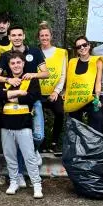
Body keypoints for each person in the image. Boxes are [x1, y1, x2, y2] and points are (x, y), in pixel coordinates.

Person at [0, 51, 43, 198]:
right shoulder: (4, 81)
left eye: (18, 62)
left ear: (23, 63)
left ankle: (37, 184)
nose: (16, 65)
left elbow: (33, 97)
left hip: (24, 124)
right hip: (6, 124)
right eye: (12, 63)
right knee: (10, 156)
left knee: (29, 156)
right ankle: (14, 181)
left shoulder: (31, 80)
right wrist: (20, 93)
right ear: (9, 65)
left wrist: (12, 97)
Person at [0, 25, 49, 151]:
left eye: (19, 35)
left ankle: (33, 152)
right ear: (9, 37)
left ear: (24, 36)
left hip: (32, 98)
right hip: (12, 100)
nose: (17, 38)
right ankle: (24, 161)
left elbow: (46, 73)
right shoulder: (5, 55)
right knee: (15, 138)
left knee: (38, 136)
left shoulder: (35, 52)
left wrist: (33, 74)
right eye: (13, 35)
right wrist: (8, 79)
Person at [37, 22, 67, 153]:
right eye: (42, 36)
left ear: (51, 36)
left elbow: (63, 74)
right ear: (38, 38)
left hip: (54, 92)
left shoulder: (61, 53)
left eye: (46, 35)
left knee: (60, 113)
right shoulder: (34, 52)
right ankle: (41, 143)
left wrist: (56, 91)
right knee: (38, 116)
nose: (44, 38)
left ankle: (54, 142)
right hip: (38, 93)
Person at [64, 36, 103, 131]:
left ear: (89, 45)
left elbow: (98, 81)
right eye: (79, 47)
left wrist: (97, 98)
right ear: (77, 50)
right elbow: (69, 81)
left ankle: (94, 144)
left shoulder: (97, 61)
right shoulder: (72, 62)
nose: (82, 48)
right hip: (75, 98)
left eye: (84, 45)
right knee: (74, 125)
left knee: (97, 120)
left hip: (91, 98)